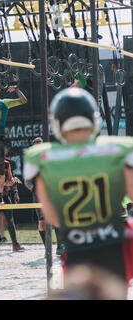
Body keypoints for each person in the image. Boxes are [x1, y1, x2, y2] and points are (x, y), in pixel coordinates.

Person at [23, 87, 133, 297]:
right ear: (93, 119)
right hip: (112, 247)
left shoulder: (43, 158)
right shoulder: (118, 150)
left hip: (76, 249)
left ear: (57, 123)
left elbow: (53, 218)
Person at [25, 137, 64, 256]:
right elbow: (27, 181)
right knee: (42, 222)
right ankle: (47, 249)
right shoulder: (31, 162)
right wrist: (33, 188)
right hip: (38, 195)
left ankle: (60, 246)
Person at [0, 151, 24, 251]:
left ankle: (15, 244)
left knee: (10, 220)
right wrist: (3, 184)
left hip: (5, 195)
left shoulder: (6, 164)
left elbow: (10, 178)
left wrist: (13, 181)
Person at [0, 146, 20, 243]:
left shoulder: (7, 162)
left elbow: (12, 177)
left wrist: (15, 192)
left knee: (8, 216)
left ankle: (2, 236)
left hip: (6, 192)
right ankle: (0, 237)